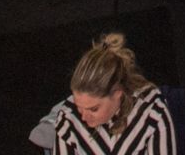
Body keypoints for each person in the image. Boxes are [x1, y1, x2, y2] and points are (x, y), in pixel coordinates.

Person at [31, 33, 176, 155]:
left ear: (117, 93)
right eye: (79, 107)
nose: (84, 117)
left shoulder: (152, 111)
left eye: (93, 109)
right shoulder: (69, 117)